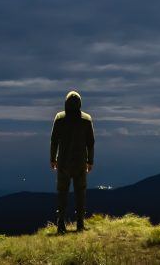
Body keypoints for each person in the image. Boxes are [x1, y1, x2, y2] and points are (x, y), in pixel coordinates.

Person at [49, 90, 95, 233]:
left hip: (63, 163)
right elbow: (90, 143)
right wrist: (90, 161)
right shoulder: (86, 119)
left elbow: (54, 141)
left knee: (62, 193)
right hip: (80, 163)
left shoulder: (60, 118)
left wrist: (53, 158)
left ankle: (61, 224)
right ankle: (80, 224)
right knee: (80, 193)